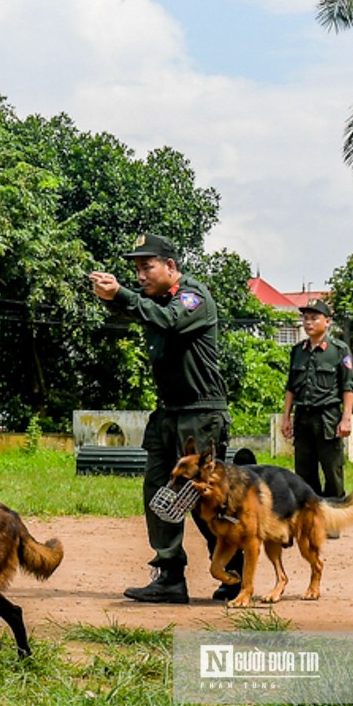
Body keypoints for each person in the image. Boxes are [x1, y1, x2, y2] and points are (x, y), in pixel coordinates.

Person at [90, 233, 236, 604]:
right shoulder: (157, 302)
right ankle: (169, 576)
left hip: (201, 414)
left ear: (170, 266)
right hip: (168, 413)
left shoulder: (192, 297)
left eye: (146, 267)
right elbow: (138, 309)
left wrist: (122, 295)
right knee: (159, 493)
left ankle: (233, 572)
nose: (140, 275)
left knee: (204, 498)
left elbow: (168, 321)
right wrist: (112, 296)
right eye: (136, 269)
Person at [281, 299, 353, 498]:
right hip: (303, 417)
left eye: (314, 318)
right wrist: (286, 417)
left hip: (327, 418)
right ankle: (310, 522)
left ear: (327, 322)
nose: (308, 323)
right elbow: (291, 387)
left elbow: (348, 387)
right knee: (304, 474)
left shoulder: (339, 351)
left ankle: (333, 522)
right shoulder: (298, 351)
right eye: (305, 318)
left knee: (332, 471)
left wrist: (346, 418)